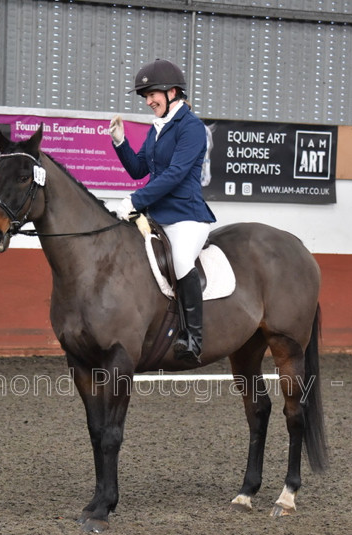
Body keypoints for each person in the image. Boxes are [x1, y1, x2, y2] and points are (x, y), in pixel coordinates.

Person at [108, 58, 216, 365]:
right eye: (145, 96)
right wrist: (120, 142)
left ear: (172, 92)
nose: (148, 101)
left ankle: (193, 337)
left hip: (186, 216)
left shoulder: (191, 128)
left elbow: (175, 174)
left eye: (151, 94)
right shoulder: (158, 128)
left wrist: (135, 201)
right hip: (156, 217)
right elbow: (138, 169)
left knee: (181, 260)